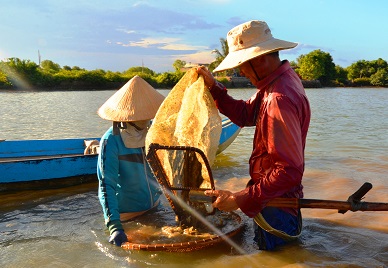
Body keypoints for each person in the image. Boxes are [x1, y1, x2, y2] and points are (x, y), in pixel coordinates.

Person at [198, 20, 311, 250]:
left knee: (276, 260)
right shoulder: (281, 81)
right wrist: (214, 88)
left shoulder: (277, 98)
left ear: (260, 58)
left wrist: (239, 198)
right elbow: (246, 114)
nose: (241, 71)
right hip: (275, 201)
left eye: (243, 64)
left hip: (276, 206)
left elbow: (289, 170)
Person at [97, 75, 165, 246]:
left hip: (154, 206)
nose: (147, 120)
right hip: (127, 216)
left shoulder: (153, 134)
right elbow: (106, 185)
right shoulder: (111, 141)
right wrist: (115, 227)